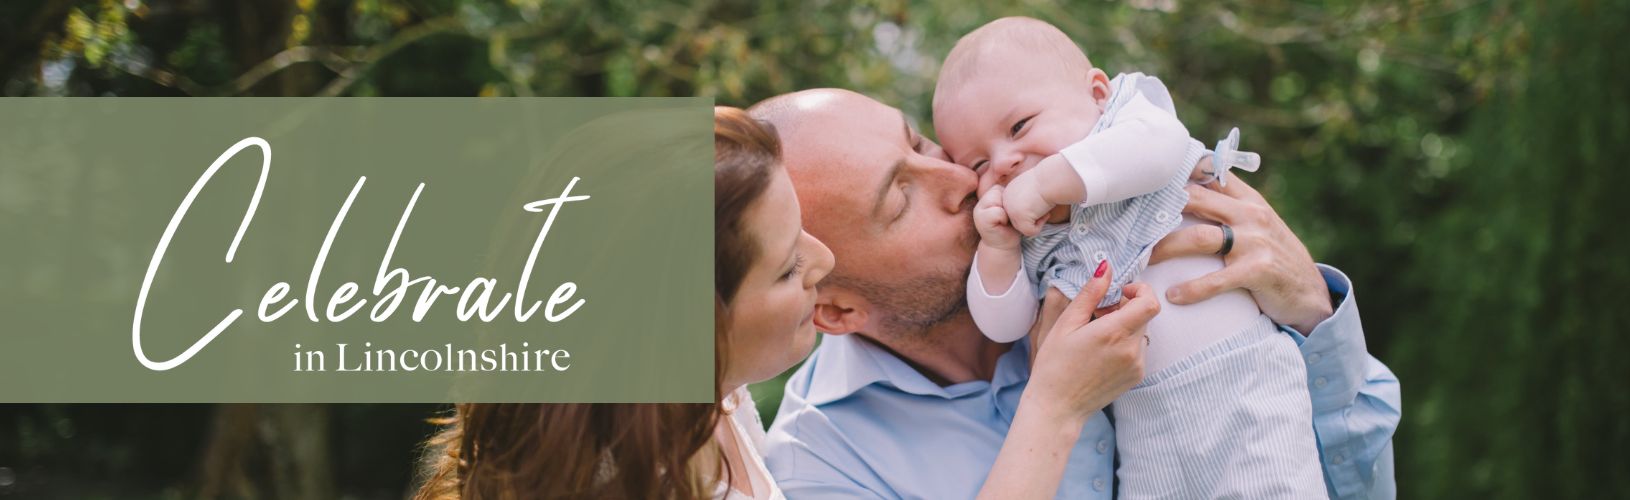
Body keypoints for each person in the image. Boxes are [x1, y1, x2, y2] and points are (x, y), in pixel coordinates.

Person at [414, 107, 1147, 499]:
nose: (821, 266)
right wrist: (1055, 409)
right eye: (791, 265)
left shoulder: (708, 410)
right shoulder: (813, 455)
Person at [752, 87, 1400, 499]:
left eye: (918, 142)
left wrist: (1311, 309)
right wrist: (1055, 409)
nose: (958, 176)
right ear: (836, 308)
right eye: (901, 198)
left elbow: (1355, 483)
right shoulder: (821, 469)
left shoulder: (1110, 230)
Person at [933, 17, 1323, 499]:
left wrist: (1045, 182)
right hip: (1142, 419)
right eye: (977, 164)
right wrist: (998, 249)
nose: (1003, 163)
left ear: (1097, 93)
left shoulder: (1132, 124)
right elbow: (1004, 325)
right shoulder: (1031, 232)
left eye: (1019, 126)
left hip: (1243, 382)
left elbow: (1161, 149)